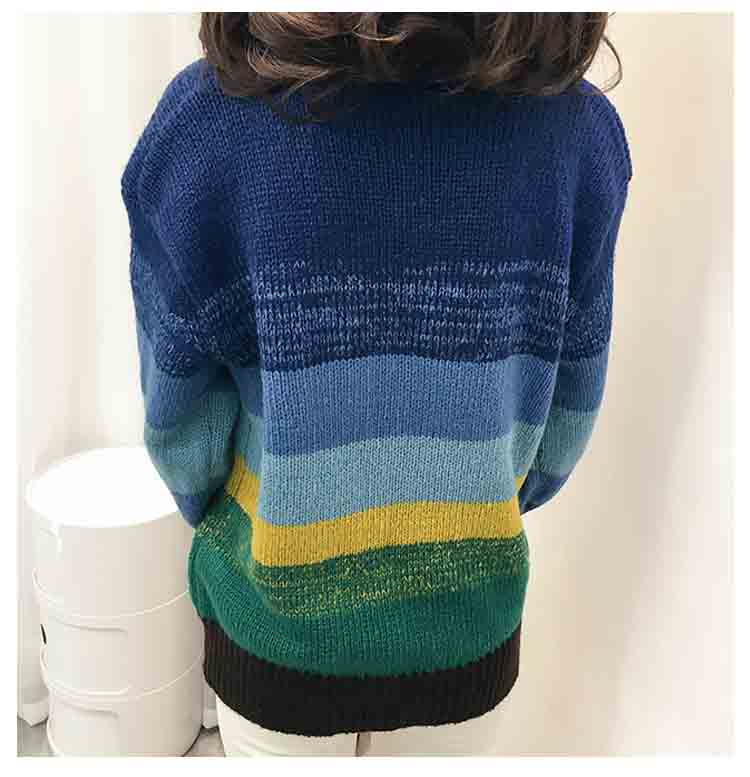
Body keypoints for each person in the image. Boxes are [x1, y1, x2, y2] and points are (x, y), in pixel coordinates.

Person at [122, 11, 632, 757]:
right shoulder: (578, 133)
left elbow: (179, 427)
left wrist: (261, 518)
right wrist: (471, 504)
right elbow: (567, 421)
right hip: (465, 632)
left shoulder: (206, 124)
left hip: (274, 628)